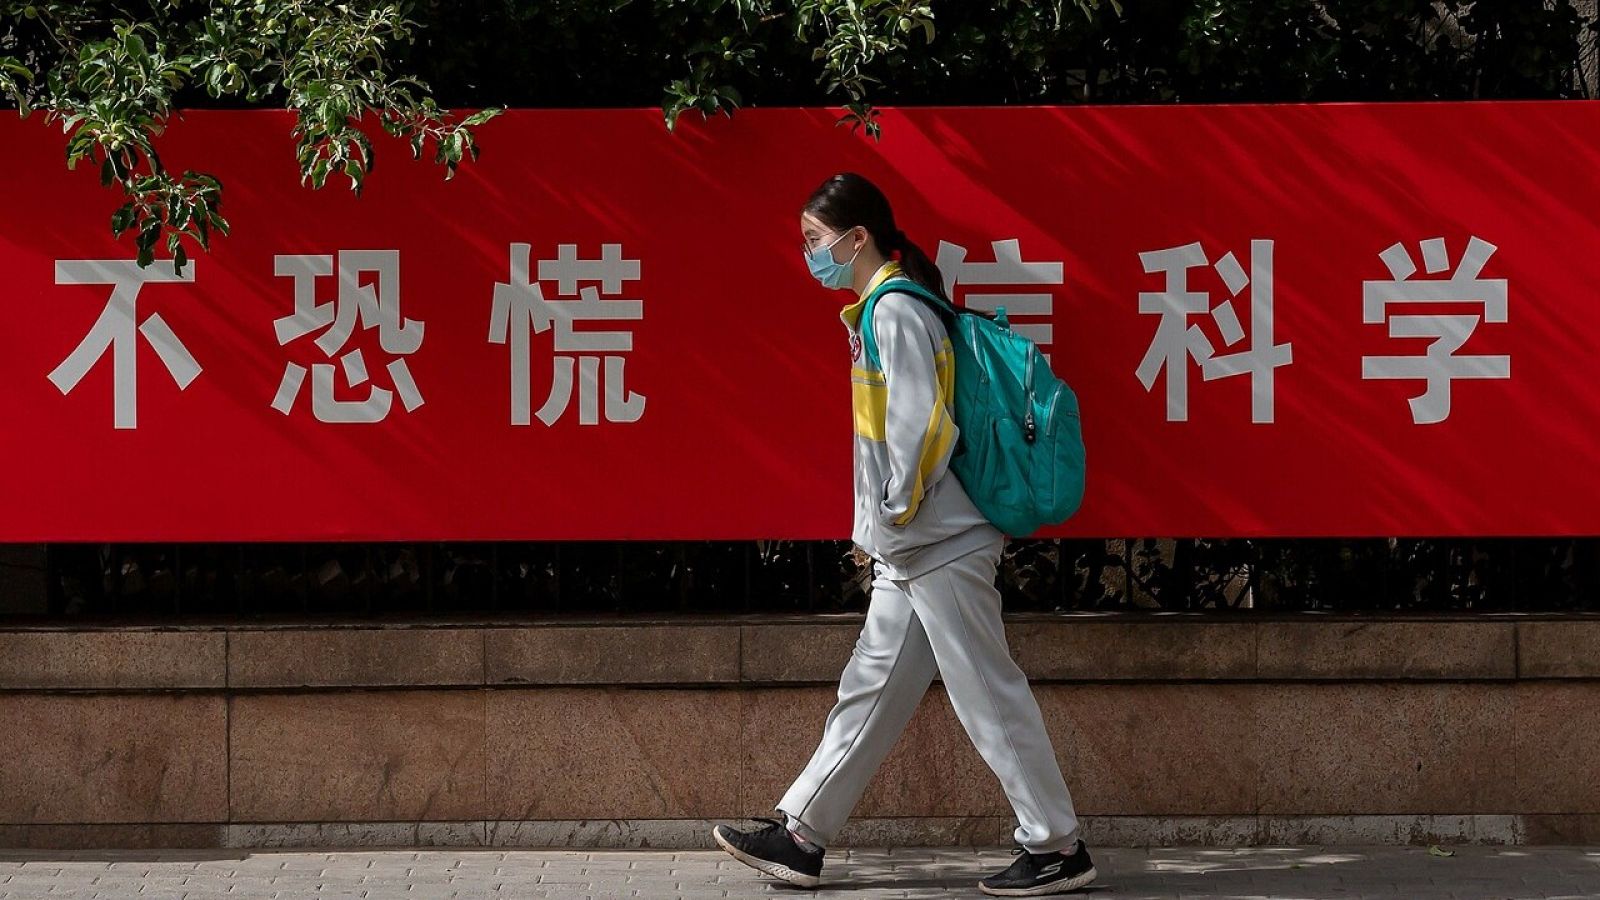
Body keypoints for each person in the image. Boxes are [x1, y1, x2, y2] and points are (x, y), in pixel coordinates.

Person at [712, 172, 1097, 897]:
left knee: (988, 695)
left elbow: (919, 429)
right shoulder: (886, 308)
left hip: (938, 544)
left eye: (815, 241)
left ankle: (1057, 846)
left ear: (858, 239)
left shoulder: (893, 311)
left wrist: (887, 515)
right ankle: (801, 836)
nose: (810, 255)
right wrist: (884, 527)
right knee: (872, 687)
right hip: (917, 546)